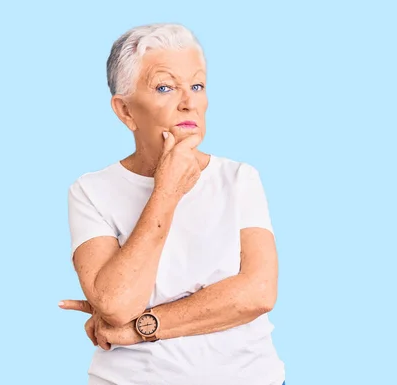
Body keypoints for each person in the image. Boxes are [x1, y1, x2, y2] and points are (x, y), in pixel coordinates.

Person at [58, 23, 285, 385]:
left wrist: (142, 327)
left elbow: (258, 293)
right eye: (165, 87)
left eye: (196, 85)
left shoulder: (239, 178)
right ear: (126, 111)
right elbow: (116, 303)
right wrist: (166, 191)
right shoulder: (90, 191)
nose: (188, 101)